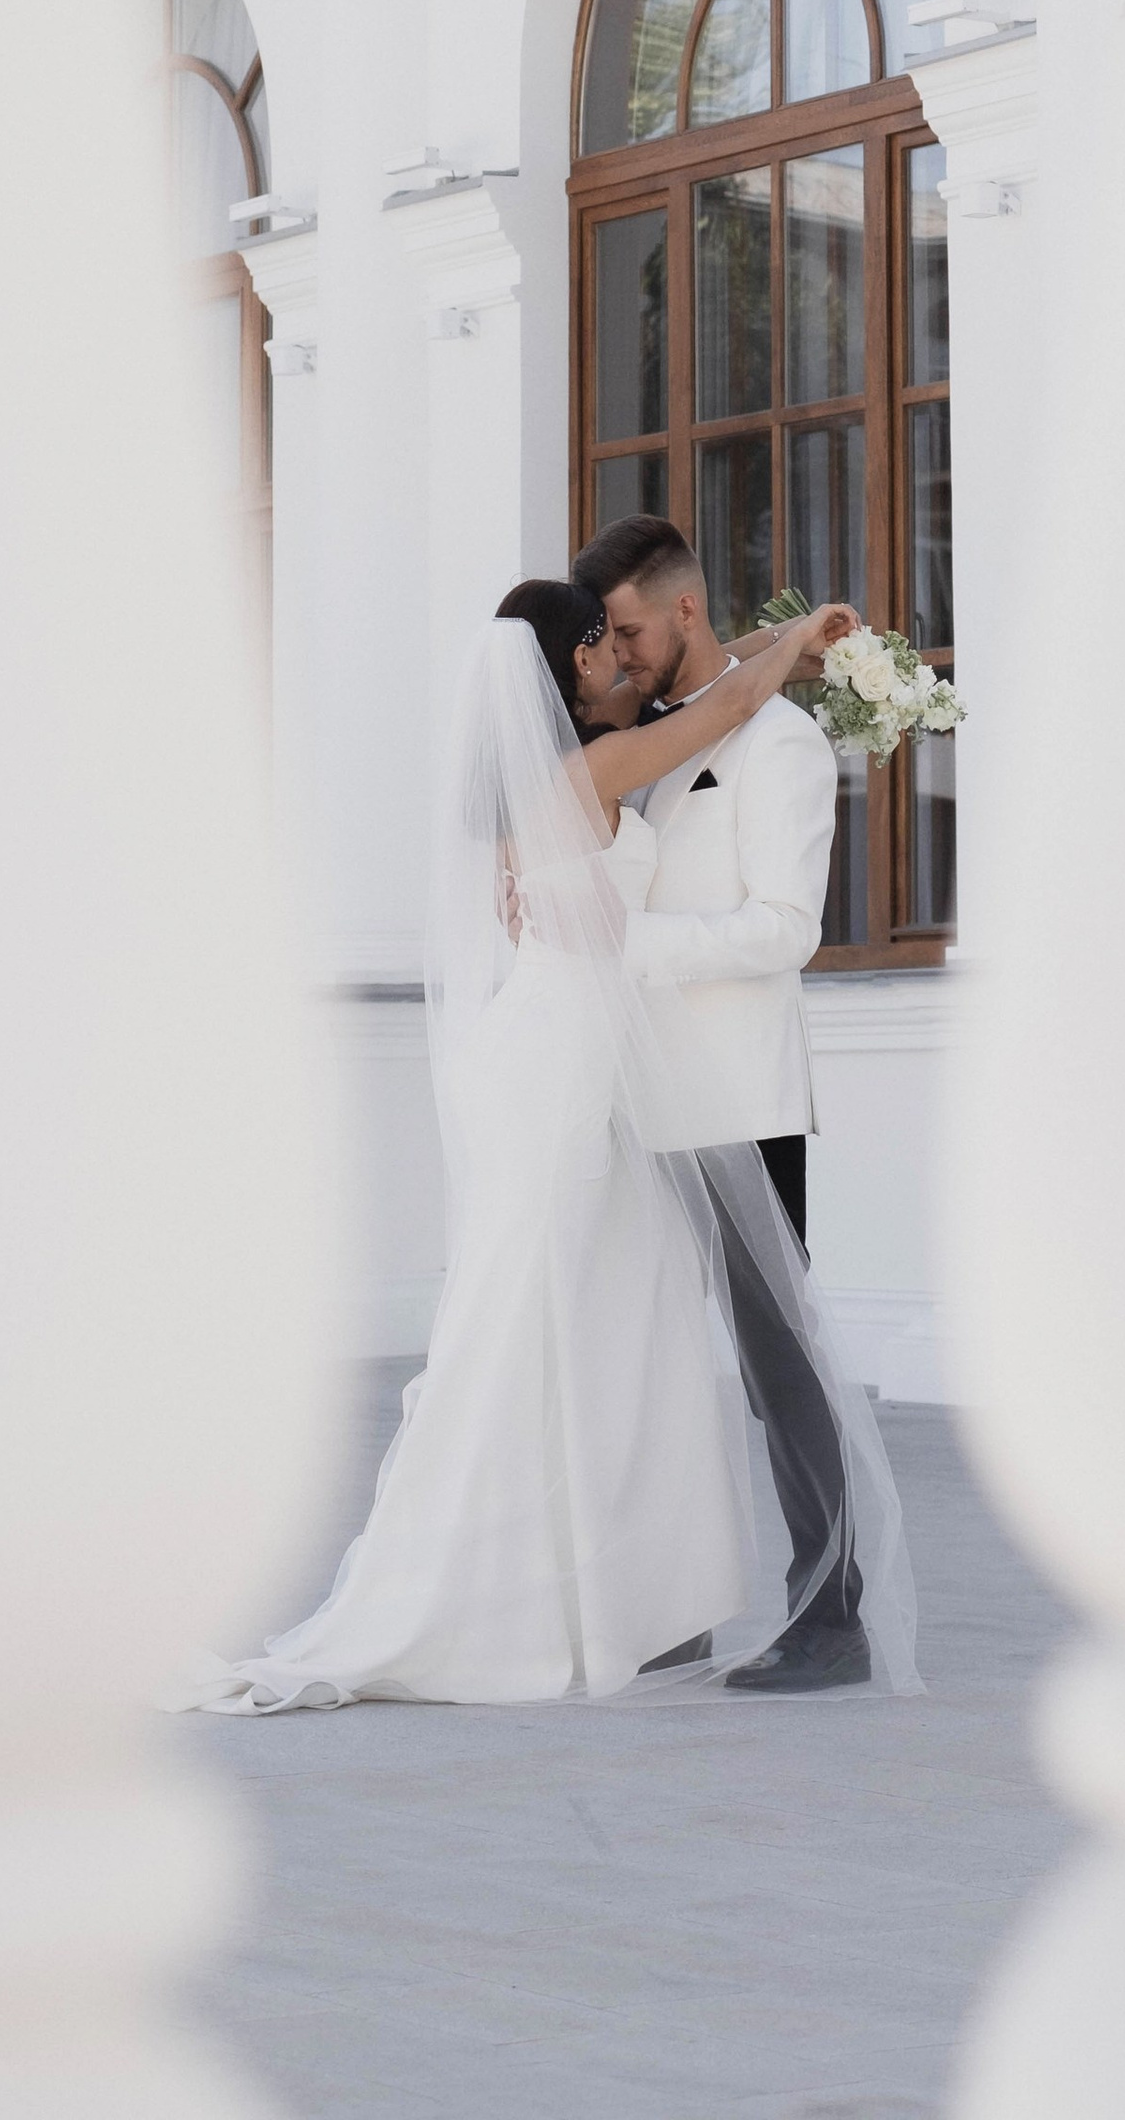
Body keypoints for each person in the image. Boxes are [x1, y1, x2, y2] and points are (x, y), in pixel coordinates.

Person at [172, 583, 916, 1711]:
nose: (623, 659)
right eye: (604, 645)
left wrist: (791, 632)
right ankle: (489, 1592)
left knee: (602, 1321)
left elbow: (713, 684)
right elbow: (722, 709)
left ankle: (615, 1598)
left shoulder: (561, 772)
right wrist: (798, 642)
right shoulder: (583, 775)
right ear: (570, 662)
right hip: (560, 1073)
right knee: (529, 1326)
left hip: (566, 1063)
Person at [567, 512, 869, 1690]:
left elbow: (786, 930)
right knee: (655, 1364)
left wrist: (624, 946)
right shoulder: (651, 733)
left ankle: (832, 1616)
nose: (623, 651)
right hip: (646, 1102)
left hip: (741, 1104)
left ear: (682, 611)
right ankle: (680, 1605)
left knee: (776, 1367)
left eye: (632, 628)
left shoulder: (782, 745)